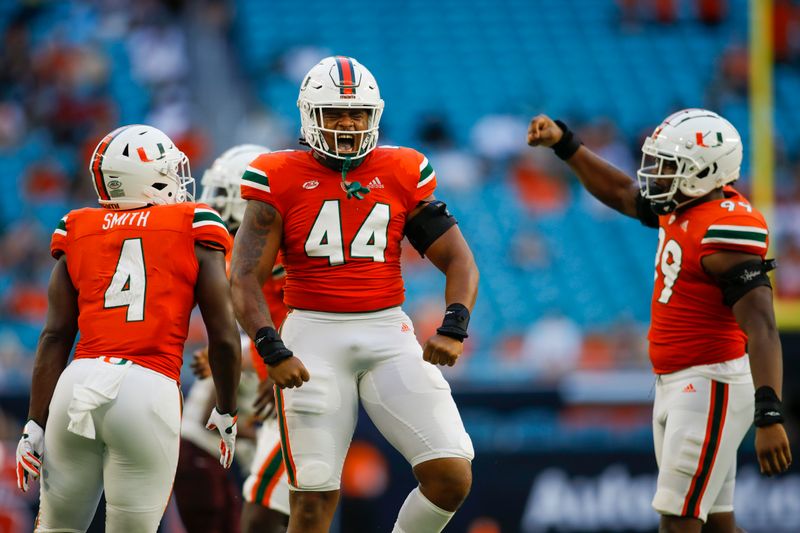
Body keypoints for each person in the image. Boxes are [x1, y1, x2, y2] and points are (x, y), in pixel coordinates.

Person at [230, 56, 478, 533]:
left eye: (359, 114)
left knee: (450, 476)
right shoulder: (277, 175)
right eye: (334, 113)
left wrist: (454, 323)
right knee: (312, 499)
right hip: (312, 336)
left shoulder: (401, 169)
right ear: (308, 115)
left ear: (374, 116)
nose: (348, 123)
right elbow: (243, 277)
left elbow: (459, 260)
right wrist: (270, 346)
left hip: (388, 329)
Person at [527, 109, 792, 533]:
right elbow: (621, 193)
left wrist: (770, 414)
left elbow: (761, 326)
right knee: (718, 526)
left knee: (678, 523)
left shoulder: (726, 226)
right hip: (678, 382)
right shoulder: (682, 203)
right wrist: (565, 143)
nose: (655, 174)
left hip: (710, 383)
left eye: (669, 166)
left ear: (706, 169)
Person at [14, 124, 242, 532]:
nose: (178, 179)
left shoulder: (78, 225)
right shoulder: (193, 221)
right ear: (147, 177)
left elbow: (54, 335)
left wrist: (34, 421)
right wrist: (227, 408)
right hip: (147, 386)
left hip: (76, 384)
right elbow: (223, 335)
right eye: (168, 170)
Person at [173, 144, 291, 533]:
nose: (214, 206)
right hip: (220, 438)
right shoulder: (230, 257)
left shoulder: (268, 257)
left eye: (223, 196)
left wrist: (237, 355)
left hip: (235, 432)